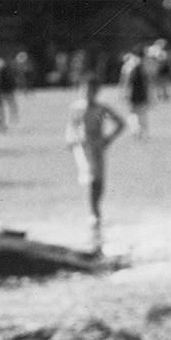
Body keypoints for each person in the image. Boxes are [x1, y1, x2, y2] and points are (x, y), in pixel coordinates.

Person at [64, 74, 125, 253]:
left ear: (97, 91)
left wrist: (108, 139)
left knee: (99, 181)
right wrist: (70, 139)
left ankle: (97, 209)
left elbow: (120, 123)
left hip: (97, 147)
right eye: (85, 89)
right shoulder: (77, 107)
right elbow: (72, 125)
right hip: (83, 148)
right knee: (90, 178)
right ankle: (93, 213)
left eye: (91, 90)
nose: (87, 93)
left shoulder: (101, 108)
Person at [119, 46, 151, 138]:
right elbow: (147, 80)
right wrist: (149, 93)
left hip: (132, 91)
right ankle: (144, 131)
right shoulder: (145, 63)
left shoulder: (129, 64)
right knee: (142, 112)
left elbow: (125, 80)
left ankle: (135, 130)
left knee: (132, 112)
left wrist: (123, 92)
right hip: (142, 91)